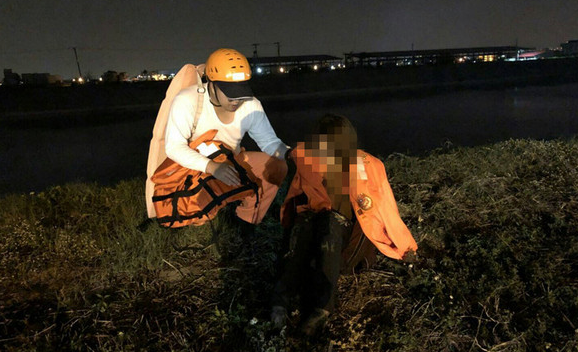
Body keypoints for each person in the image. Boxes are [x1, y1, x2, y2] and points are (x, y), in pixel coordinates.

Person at [271, 114, 418, 335]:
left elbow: (388, 209)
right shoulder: (310, 164)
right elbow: (294, 203)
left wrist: (407, 248)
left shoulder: (368, 166)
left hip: (348, 245)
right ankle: (279, 304)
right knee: (306, 223)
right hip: (314, 241)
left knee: (330, 222)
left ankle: (322, 308)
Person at [150, 48, 289, 236]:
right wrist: (212, 167)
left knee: (277, 167)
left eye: (241, 90)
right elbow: (174, 147)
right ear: (211, 83)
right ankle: (208, 212)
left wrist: (291, 154)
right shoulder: (188, 100)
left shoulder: (250, 104)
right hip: (196, 167)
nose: (236, 100)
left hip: (233, 159)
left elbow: (269, 142)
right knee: (199, 218)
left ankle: (246, 221)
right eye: (229, 92)